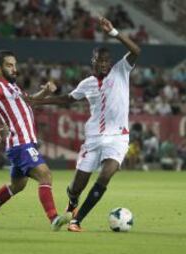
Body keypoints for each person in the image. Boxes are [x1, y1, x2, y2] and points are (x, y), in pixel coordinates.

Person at [28, 17, 141, 232]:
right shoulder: (87, 84)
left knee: (106, 175)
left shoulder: (121, 71)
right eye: (100, 60)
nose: (104, 63)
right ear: (93, 61)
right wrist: (38, 101)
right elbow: (67, 100)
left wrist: (114, 32)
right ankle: (72, 203)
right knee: (76, 187)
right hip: (93, 139)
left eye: (107, 60)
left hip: (118, 138)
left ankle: (76, 221)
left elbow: (136, 51)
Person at [0, 50, 71, 231]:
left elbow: (31, 102)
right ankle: (54, 218)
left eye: (15, 65)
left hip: (26, 143)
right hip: (20, 143)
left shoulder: (14, 87)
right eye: (9, 65)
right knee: (45, 175)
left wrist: (45, 91)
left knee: (17, 185)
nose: (14, 69)